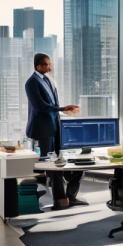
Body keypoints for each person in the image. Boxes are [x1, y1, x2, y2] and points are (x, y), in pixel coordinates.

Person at [25, 53, 84, 211]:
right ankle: (60, 200)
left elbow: (53, 104)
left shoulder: (48, 80)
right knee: (52, 165)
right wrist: (62, 108)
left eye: (50, 64)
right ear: (38, 65)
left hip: (55, 126)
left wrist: (64, 113)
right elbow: (40, 107)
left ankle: (70, 195)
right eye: (46, 64)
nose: (49, 67)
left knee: (70, 160)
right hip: (43, 130)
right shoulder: (31, 82)